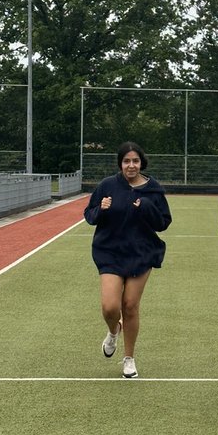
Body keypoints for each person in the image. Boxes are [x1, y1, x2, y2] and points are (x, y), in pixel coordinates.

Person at [83, 141, 172, 379]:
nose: (131, 165)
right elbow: (89, 215)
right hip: (110, 251)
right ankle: (114, 331)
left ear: (142, 163)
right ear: (120, 164)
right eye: (126, 161)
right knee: (110, 307)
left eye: (135, 161)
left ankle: (129, 358)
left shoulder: (153, 189)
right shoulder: (107, 185)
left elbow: (163, 223)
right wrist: (101, 209)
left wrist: (146, 207)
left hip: (142, 252)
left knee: (130, 306)